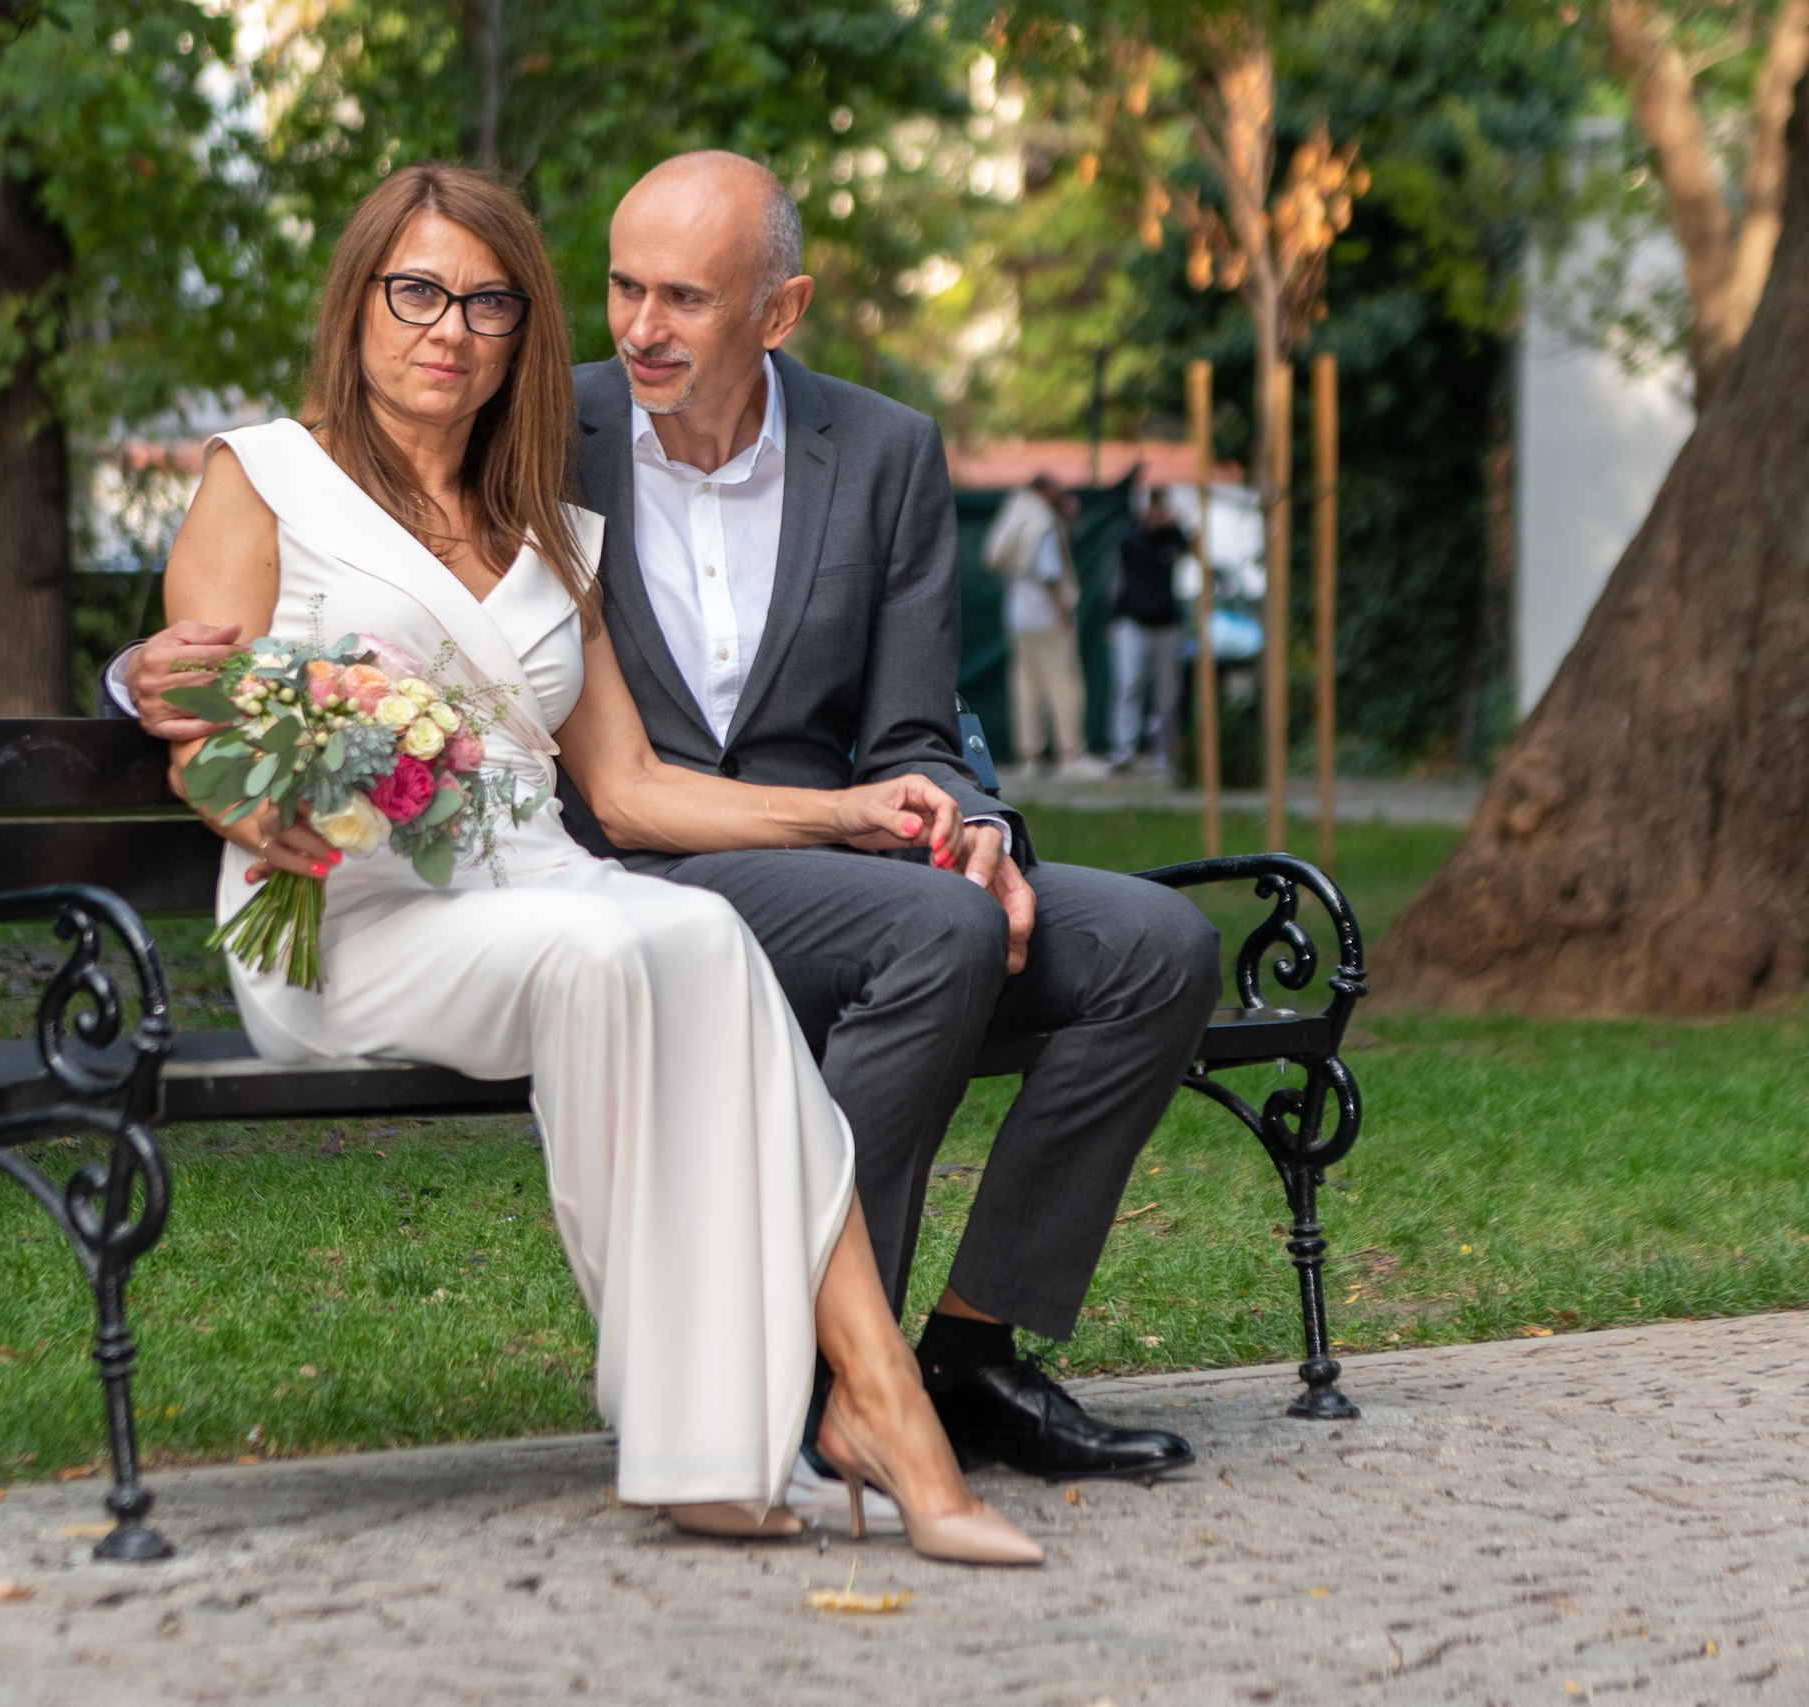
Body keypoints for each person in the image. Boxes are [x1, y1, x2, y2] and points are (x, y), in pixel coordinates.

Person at [116, 152, 1218, 1522]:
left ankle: (971, 1351)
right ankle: (821, 1384)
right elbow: (254, 625)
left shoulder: (872, 454)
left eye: (685, 297)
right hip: (597, 872)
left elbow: (915, 727)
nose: (639, 327)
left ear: (779, 307)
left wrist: (959, 818)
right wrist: (166, 700)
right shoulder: (538, 432)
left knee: (1157, 943)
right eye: (623, 288)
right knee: (923, 933)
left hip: (800, 858)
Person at [986, 474, 1106, 780]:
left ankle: (1030, 756)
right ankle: (1070, 754)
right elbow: (1049, 570)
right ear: (1045, 490)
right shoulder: (1042, 521)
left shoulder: (1015, 513)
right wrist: (1063, 609)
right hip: (1047, 616)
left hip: (1018, 618)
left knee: (1026, 687)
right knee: (1064, 684)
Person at [1107, 491, 1191, 776]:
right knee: (1129, 685)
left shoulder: (1172, 537)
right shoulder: (1130, 539)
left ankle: (1165, 755)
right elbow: (1116, 580)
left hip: (1166, 625)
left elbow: (1190, 549)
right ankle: (1124, 750)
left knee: (1167, 696)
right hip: (1135, 623)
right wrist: (1114, 619)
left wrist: (1175, 526)